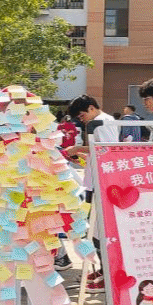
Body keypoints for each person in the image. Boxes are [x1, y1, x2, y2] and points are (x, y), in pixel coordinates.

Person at [64, 94, 121, 293]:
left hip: (99, 184)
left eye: (82, 116)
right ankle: (103, 271)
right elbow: (98, 152)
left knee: (98, 231)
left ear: (91, 108)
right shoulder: (101, 122)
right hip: (93, 183)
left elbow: (105, 150)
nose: (82, 120)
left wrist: (78, 148)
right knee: (94, 229)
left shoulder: (101, 123)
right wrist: (82, 154)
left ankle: (107, 273)